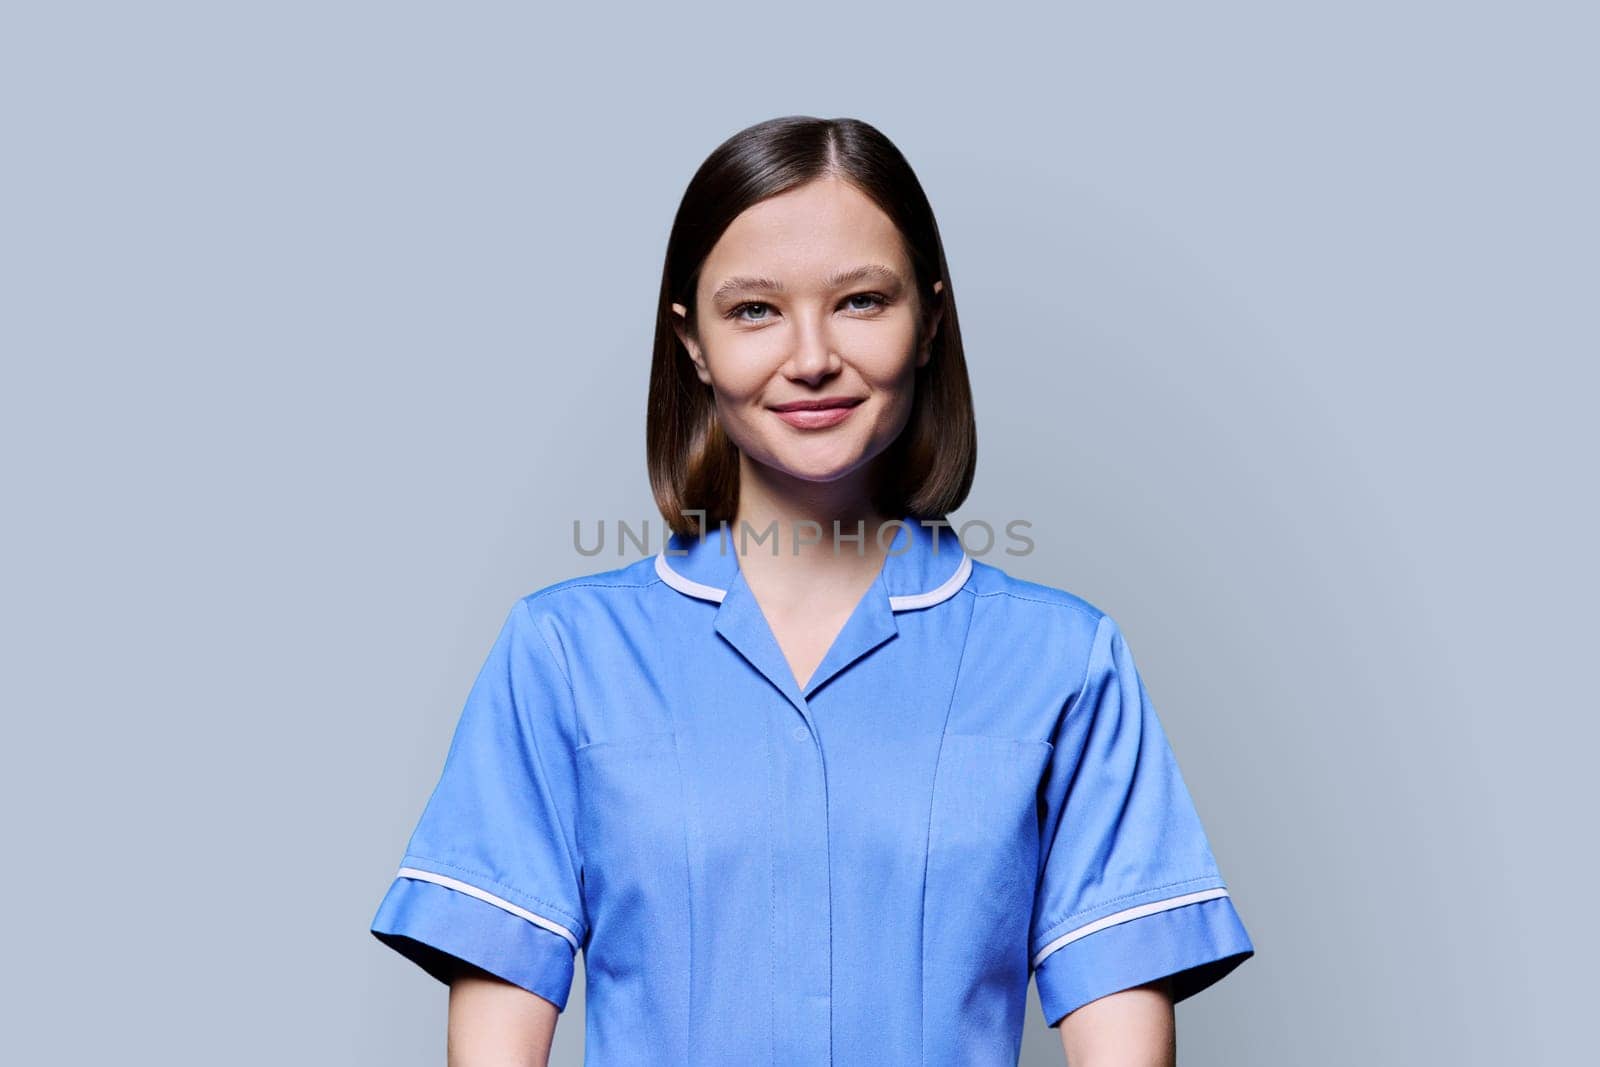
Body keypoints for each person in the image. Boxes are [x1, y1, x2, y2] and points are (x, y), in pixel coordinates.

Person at [370, 115, 1255, 1066]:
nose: (811, 357)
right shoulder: (562, 654)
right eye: (754, 309)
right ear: (694, 342)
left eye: (862, 301)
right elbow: (499, 1033)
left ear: (930, 320)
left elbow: (1121, 1035)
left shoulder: (1065, 663)